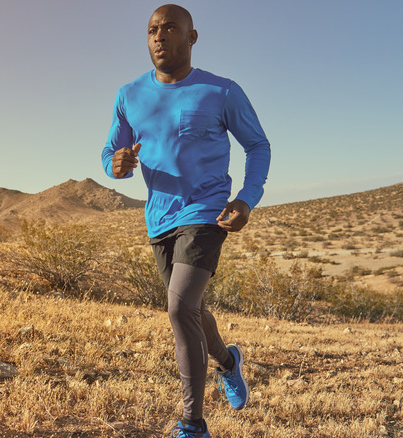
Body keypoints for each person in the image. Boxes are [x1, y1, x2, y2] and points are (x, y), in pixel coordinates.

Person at [101, 4, 271, 437]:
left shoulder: (221, 91)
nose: (159, 36)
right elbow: (110, 154)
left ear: (192, 38)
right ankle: (229, 362)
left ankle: (192, 425)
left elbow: (258, 146)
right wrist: (115, 165)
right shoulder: (128, 95)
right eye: (152, 29)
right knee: (191, 309)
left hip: (206, 212)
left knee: (178, 308)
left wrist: (246, 200)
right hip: (159, 218)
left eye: (170, 28)